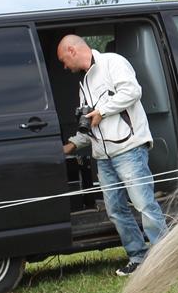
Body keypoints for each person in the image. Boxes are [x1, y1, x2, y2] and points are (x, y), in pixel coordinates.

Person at [57, 35, 167, 277]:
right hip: (103, 157)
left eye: (64, 60)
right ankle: (138, 257)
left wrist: (102, 111)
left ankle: (166, 257)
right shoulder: (83, 83)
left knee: (144, 205)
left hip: (129, 149)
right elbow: (90, 124)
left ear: (72, 50)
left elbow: (132, 91)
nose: (64, 67)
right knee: (116, 210)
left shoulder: (112, 62)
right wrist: (71, 145)